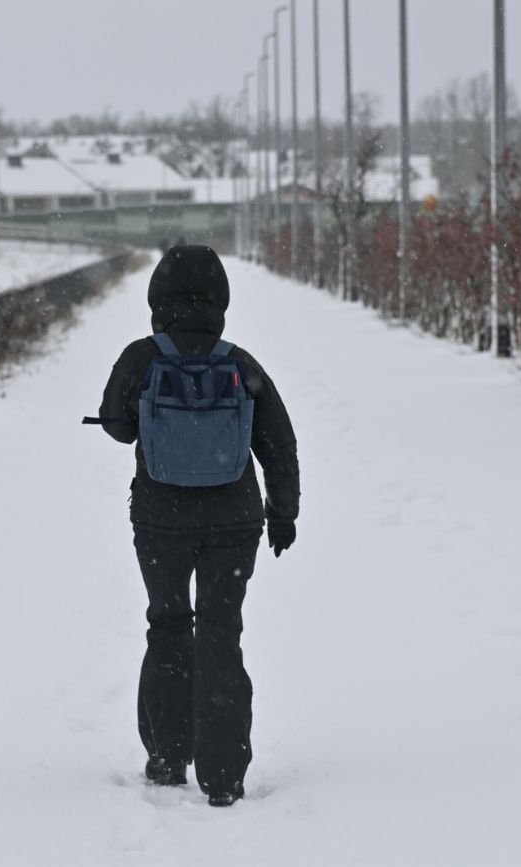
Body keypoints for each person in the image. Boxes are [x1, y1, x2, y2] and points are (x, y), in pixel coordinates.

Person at [94, 245, 300, 807]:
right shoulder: (240, 363)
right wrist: (284, 513)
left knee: (167, 626)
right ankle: (224, 775)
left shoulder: (142, 357)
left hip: (160, 521)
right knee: (220, 633)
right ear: (221, 300)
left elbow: (116, 427)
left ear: (157, 299)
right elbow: (278, 445)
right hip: (234, 523)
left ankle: (166, 757)